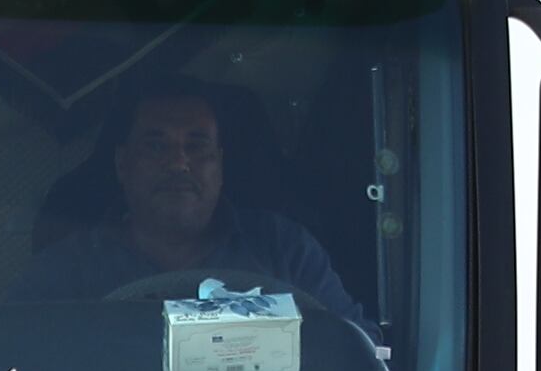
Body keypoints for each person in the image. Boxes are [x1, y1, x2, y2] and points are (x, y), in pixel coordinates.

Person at [24, 86, 352, 308]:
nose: (179, 162)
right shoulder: (66, 271)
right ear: (122, 164)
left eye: (197, 145)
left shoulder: (286, 252)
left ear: (220, 164)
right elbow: (14, 362)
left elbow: (358, 356)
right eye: (156, 145)